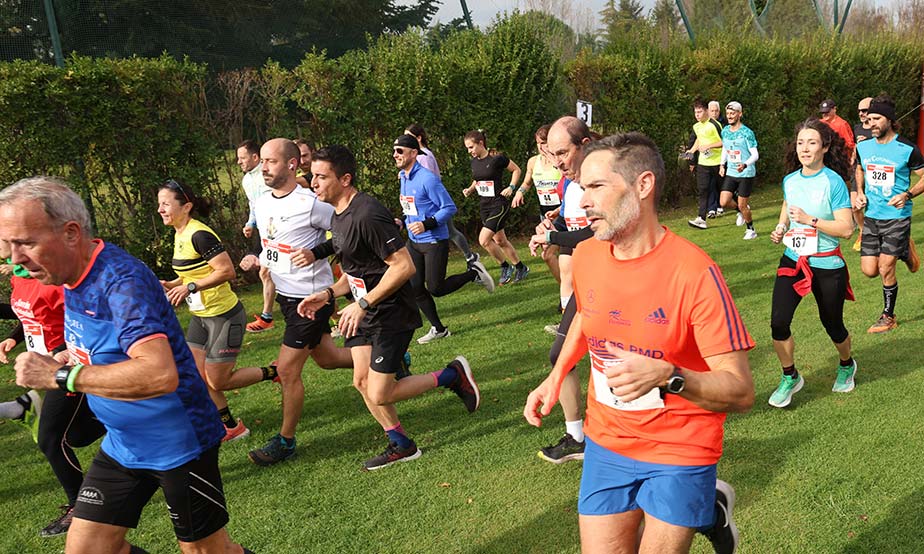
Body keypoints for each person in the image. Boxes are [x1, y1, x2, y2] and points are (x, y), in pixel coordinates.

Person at [524, 132, 754, 554]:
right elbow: (585, 318)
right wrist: (556, 376)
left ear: (643, 186)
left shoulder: (695, 274)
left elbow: (740, 390)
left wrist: (670, 375)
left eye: (596, 187)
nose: (582, 201)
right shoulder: (591, 255)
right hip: (607, 441)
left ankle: (705, 502)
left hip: (679, 446)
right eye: (582, 188)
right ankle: (710, 506)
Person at [0, 176, 253, 554]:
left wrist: (60, 375)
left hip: (178, 441)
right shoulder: (70, 276)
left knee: (206, 551)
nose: (14, 258)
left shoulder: (120, 281)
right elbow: (105, 345)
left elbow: (159, 373)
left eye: (26, 243)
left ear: (71, 233)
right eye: (8, 245)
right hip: (123, 444)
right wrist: (65, 356)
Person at [298, 145, 480, 470]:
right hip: (363, 311)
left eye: (320, 176)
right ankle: (401, 443)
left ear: (345, 179)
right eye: (313, 175)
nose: (313, 182)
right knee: (360, 382)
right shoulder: (338, 216)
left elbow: (404, 266)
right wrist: (328, 294)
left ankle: (451, 375)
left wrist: (363, 303)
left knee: (380, 392)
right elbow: (355, 273)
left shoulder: (367, 214)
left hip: (390, 312)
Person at [238, 138, 354, 466]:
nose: (264, 167)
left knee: (287, 371)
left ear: (291, 165)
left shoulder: (311, 202)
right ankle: (389, 358)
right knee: (328, 359)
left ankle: (286, 440)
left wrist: (317, 252)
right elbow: (272, 246)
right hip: (287, 299)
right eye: (262, 161)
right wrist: (256, 258)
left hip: (312, 299)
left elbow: (346, 233)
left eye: (271, 161)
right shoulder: (261, 204)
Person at [0, 241, 106, 538]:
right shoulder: (20, 276)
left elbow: (87, 317)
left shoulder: (55, 279)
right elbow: (30, 315)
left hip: (67, 366)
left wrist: (64, 348)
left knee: (50, 437)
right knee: (76, 434)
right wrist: (12, 338)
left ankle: (80, 508)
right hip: (46, 369)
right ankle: (133, 416)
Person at [157, 179, 266, 442]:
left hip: (224, 315)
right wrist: (171, 283)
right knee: (197, 375)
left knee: (218, 380)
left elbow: (227, 271)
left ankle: (274, 372)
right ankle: (230, 426)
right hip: (201, 317)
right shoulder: (179, 233)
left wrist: (190, 287)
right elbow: (192, 272)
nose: (160, 209)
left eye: (165, 204)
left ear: (187, 206)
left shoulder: (199, 234)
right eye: (158, 204)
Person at [768, 119, 857, 408]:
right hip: (793, 259)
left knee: (832, 324)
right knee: (778, 322)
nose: (804, 148)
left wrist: (810, 221)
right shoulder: (790, 180)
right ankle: (790, 376)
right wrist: (782, 227)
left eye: (812, 142)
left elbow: (846, 229)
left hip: (827, 263)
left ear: (825, 147)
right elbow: (787, 205)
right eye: (800, 143)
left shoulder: (833, 183)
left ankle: (846, 364)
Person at [527, 116, 596, 464]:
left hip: (618, 286)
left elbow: (598, 234)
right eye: (551, 154)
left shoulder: (603, 181)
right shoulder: (570, 184)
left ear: (584, 146)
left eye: (562, 153)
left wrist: (551, 237)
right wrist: (553, 222)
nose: (557, 162)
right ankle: (577, 435)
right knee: (561, 356)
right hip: (589, 286)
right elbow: (577, 227)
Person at [393, 134, 494, 345]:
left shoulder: (427, 178)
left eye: (399, 151)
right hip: (414, 241)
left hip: (433, 240)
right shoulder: (404, 176)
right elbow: (412, 208)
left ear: (413, 153)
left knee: (436, 288)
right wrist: (403, 221)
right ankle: (439, 329)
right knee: (415, 287)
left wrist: (426, 224)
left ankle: (473, 273)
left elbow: (449, 208)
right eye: (394, 151)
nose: (395, 155)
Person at [855, 95, 924, 333]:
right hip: (872, 215)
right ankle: (905, 249)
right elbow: (859, 169)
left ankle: (888, 316)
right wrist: (860, 192)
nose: (870, 123)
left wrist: (907, 194)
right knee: (869, 270)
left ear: (890, 120)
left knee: (885, 267)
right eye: (868, 118)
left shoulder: (907, 149)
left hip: (897, 216)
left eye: (876, 119)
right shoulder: (863, 146)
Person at [462, 130, 529, 285]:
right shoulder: (474, 162)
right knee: (500, 240)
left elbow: (516, 170)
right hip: (484, 205)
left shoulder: (497, 158)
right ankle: (520, 267)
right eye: (467, 148)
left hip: (499, 204)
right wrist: (470, 189)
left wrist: (511, 187)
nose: (469, 151)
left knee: (484, 240)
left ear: (480, 143)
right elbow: (478, 180)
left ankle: (505, 267)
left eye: (471, 147)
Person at [404, 124, 478, 264]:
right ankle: (469, 257)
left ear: (418, 138)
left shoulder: (423, 156)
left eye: (409, 136)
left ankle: (470, 257)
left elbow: (428, 181)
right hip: (429, 203)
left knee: (450, 232)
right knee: (451, 232)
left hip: (435, 203)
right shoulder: (419, 155)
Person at [514, 123, 564, 284]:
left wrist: (554, 159)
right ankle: (568, 292)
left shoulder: (560, 161)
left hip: (563, 214)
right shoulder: (533, 162)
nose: (540, 147)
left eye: (544, 143)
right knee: (551, 255)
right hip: (546, 216)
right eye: (538, 143)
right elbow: (528, 182)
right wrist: (519, 192)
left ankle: (569, 294)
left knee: (552, 255)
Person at [237, 139, 276, 333]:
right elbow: (254, 204)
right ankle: (268, 317)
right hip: (264, 231)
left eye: (242, 158)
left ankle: (267, 317)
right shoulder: (246, 180)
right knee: (267, 272)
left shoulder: (268, 174)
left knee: (267, 271)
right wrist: (250, 223)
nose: (239, 162)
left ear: (255, 157)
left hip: (280, 229)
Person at [719, 101, 759, 239]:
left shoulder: (747, 133)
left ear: (739, 114)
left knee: (743, 204)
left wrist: (745, 164)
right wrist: (721, 165)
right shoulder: (724, 131)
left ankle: (751, 229)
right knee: (723, 201)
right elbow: (725, 148)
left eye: (733, 113)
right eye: (728, 114)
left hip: (745, 173)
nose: (730, 116)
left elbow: (755, 154)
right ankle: (741, 211)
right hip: (731, 171)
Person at [687, 98, 724, 228]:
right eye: (695, 112)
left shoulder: (715, 124)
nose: (697, 115)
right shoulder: (696, 126)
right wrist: (691, 151)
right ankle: (701, 218)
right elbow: (699, 139)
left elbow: (724, 142)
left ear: (707, 111)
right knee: (703, 190)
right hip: (703, 163)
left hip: (718, 163)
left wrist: (709, 146)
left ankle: (741, 209)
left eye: (700, 112)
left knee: (725, 192)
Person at [850, 97, 874, 251]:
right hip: (857, 170)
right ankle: (862, 230)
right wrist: (852, 157)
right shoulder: (857, 128)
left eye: (864, 110)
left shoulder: (879, 128)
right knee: (854, 206)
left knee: (873, 206)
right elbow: (855, 146)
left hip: (873, 173)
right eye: (859, 110)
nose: (861, 113)